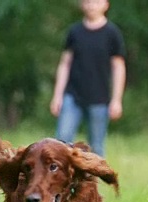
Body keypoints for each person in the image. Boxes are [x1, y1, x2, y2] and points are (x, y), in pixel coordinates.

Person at [50, 0, 126, 157]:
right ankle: (62, 180)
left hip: (99, 99)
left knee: (96, 147)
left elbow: (118, 67)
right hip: (73, 96)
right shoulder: (75, 32)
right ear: (82, 4)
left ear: (106, 5)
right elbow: (65, 64)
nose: (92, 5)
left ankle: (95, 181)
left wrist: (117, 99)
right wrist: (57, 95)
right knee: (61, 141)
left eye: (96, 2)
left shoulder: (112, 33)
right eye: (88, 2)